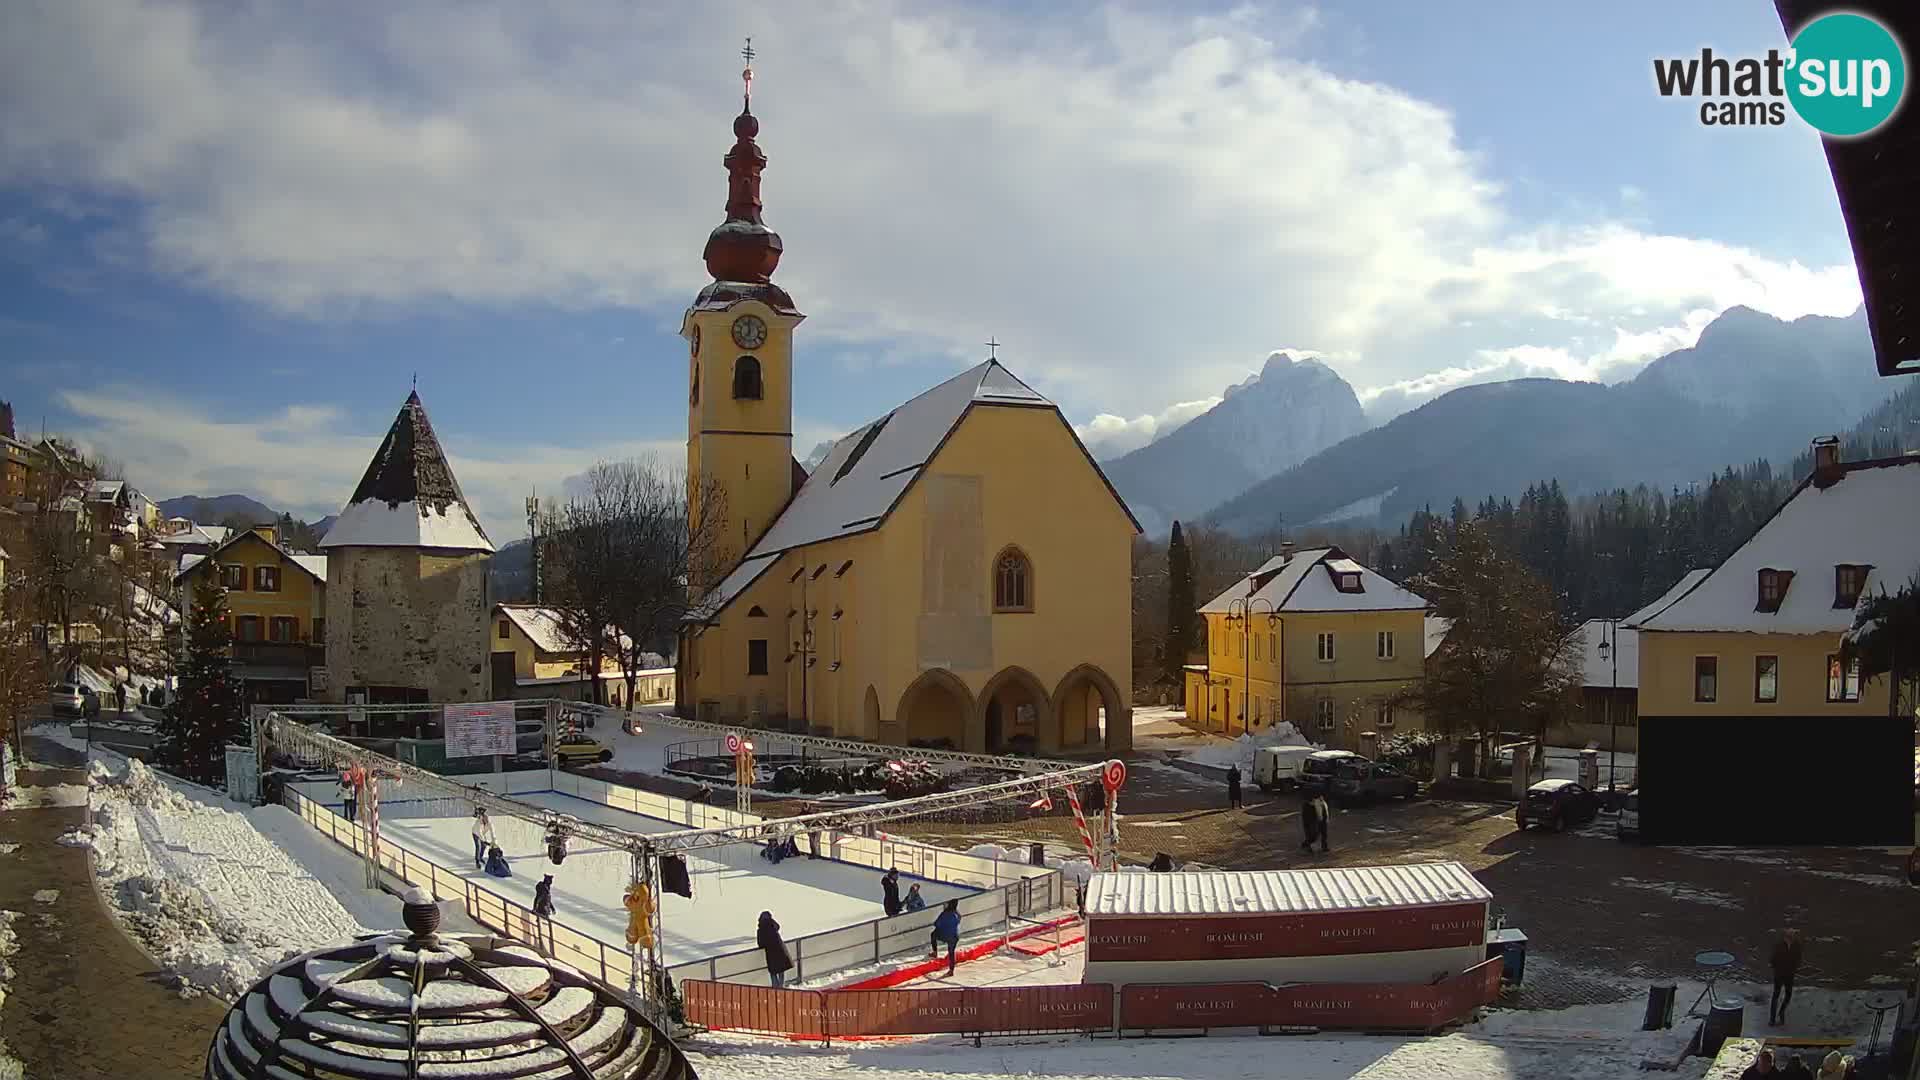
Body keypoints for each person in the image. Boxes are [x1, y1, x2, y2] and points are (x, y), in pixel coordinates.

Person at [1769, 928, 1802, 1025]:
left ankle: (1781, 1012)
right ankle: (1772, 1018)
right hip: (1779, 973)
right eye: (1789, 934)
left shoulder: (1797, 945)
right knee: (1776, 995)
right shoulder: (1779, 945)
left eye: (1793, 934)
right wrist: (1776, 967)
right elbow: (1773, 958)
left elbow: (1798, 958)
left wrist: (1794, 967)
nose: (1791, 936)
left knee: (1788, 995)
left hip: (1789, 974)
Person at [758, 911, 793, 989]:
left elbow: (760, 944)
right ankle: (781, 986)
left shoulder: (761, 930)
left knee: (773, 971)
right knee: (781, 970)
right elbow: (778, 926)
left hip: (771, 953)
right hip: (780, 950)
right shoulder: (773, 926)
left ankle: (775, 987)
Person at [930, 899, 961, 975]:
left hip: (945, 935)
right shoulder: (957, 913)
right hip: (955, 936)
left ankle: (935, 952)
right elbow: (959, 920)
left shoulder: (944, 914)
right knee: (951, 953)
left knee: (933, 935)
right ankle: (951, 970)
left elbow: (937, 923)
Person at [533, 874, 556, 951]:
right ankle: (542, 942)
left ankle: (544, 941)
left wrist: (552, 908)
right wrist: (534, 908)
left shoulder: (547, 888)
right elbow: (537, 898)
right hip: (541, 909)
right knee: (542, 926)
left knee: (545, 926)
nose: (551, 883)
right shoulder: (542, 888)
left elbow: (548, 900)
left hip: (546, 910)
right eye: (550, 881)